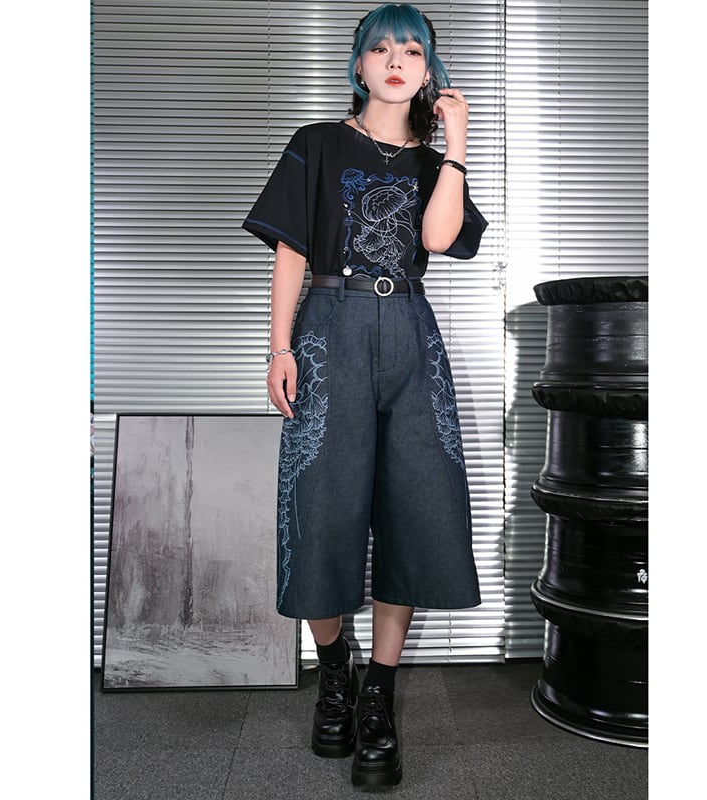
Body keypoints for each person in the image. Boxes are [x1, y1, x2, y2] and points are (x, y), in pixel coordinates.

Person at [243, 2, 487, 788]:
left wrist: (456, 145)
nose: (395, 60)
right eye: (380, 48)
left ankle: (378, 692)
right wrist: (280, 347)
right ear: (358, 65)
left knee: (414, 508)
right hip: (330, 328)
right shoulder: (317, 143)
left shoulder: (433, 164)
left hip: (410, 334)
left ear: (428, 70)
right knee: (321, 506)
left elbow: (439, 239)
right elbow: (290, 251)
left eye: (412, 50)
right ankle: (335, 670)